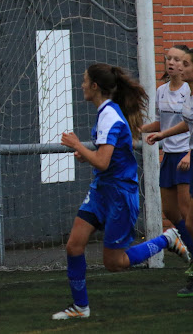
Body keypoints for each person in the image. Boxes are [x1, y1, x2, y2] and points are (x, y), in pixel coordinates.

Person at [54, 63, 190, 320]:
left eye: (84, 81)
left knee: (114, 263)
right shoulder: (106, 111)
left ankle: (167, 239)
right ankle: (81, 307)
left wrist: (77, 146)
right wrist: (87, 155)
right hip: (101, 190)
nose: (81, 85)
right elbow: (106, 157)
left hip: (119, 195)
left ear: (95, 86)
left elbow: (104, 161)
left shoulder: (110, 116)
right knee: (74, 246)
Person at [146, 45, 193, 297]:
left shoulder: (188, 89)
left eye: (179, 60)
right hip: (170, 157)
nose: (173, 63)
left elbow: (189, 125)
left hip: (186, 157)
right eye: (170, 59)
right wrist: (143, 129)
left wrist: (188, 153)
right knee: (171, 212)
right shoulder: (161, 91)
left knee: (188, 215)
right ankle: (187, 248)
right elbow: (166, 123)